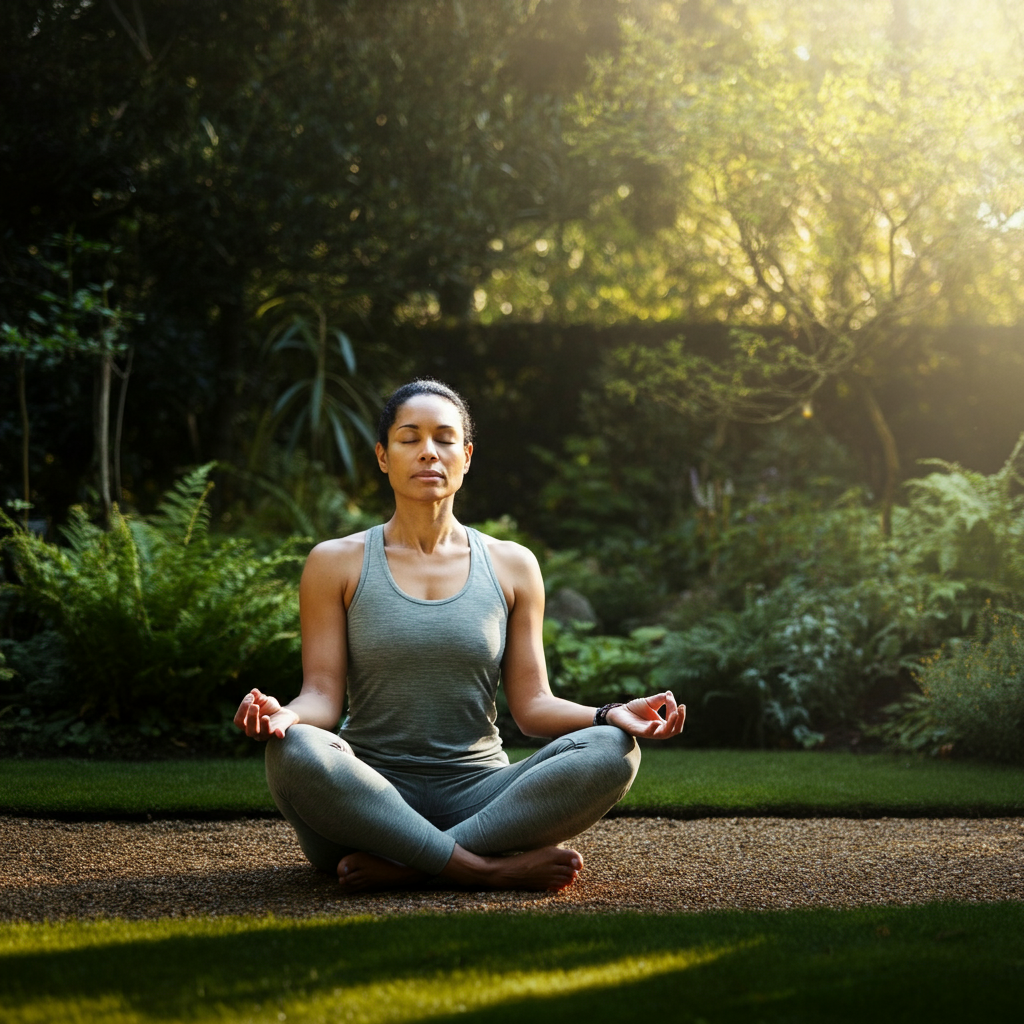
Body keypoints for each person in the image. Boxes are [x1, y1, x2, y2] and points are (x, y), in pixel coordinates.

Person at [233, 379, 685, 893]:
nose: (429, 452)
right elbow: (321, 696)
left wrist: (609, 714)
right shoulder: (334, 562)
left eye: (445, 439)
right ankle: (483, 868)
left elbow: (534, 706)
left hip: (481, 793)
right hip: (368, 798)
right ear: (383, 456)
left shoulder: (513, 564)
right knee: (292, 750)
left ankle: (409, 864)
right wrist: (286, 715)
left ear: (466, 456)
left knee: (614, 749)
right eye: (409, 438)